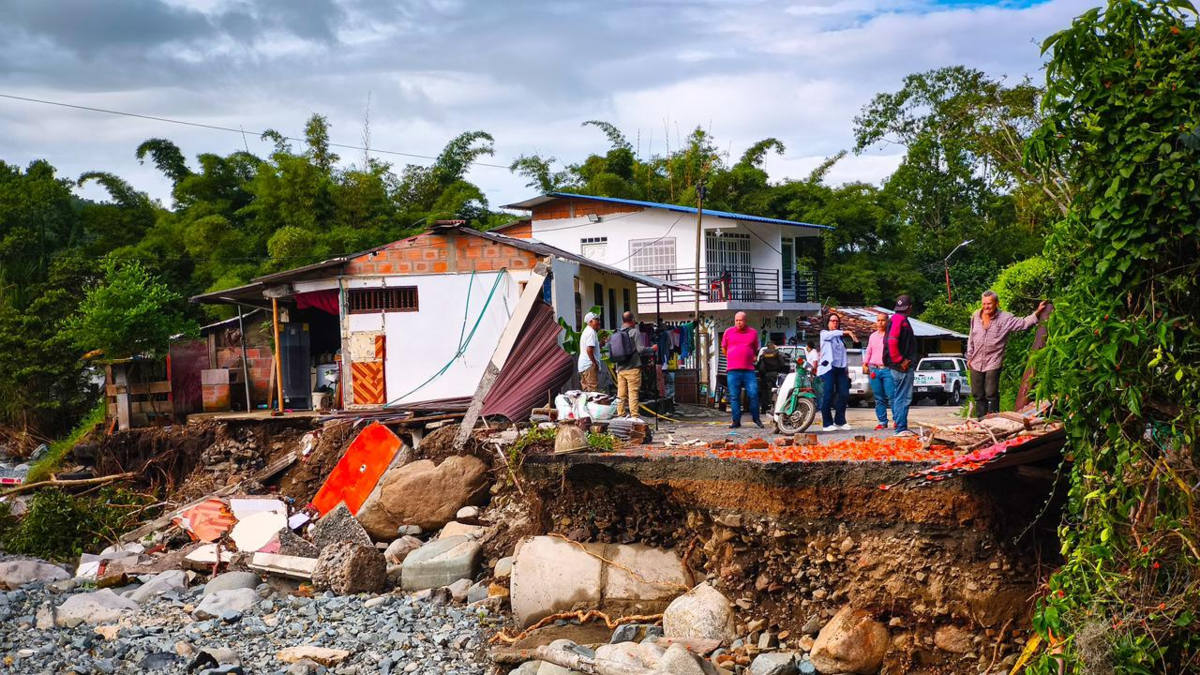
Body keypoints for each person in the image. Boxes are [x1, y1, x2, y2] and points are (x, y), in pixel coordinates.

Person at [966, 291, 1047, 418]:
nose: (986, 306)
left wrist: (1037, 312)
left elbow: (1023, 323)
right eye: (984, 304)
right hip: (976, 360)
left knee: (991, 392)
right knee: (977, 393)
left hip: (993, 360)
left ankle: (993, 419)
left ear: (997, 303)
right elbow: (971, 337)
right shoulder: (976, 315)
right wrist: (969, 357)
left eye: (989, 304)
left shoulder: (1005, 318)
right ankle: (981, 420)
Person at [721, 311, 763, 429]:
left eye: (741, 320)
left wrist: (749, 356)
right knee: (734, 396)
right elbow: (724, 348)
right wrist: (731, 357)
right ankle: (736, 420)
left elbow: (755, 349)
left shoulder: (753, 332)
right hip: (733, 370)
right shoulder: (728, 332)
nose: (738, 322)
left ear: (745, 321)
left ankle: (756, 418)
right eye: (737, 320)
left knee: (753, 394)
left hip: (748, 370)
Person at [817, 313, 859, 431]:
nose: (835, 323)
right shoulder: (824, 334)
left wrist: (846, 369)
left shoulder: (840, 339)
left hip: (840, 368)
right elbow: (831, 334)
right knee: (827, 394)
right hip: (828, 368)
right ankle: (827, 423)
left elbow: (843, 355)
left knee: (844, 393)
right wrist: (847, 332)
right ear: (828, 323)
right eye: (832, 321)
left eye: (837, 321)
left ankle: (840, 420)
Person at [885, 295, 919, 436]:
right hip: (901, 367)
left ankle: (900, 426)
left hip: (896, 365)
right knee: (903, 396)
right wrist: (900, 360)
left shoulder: (895, 318)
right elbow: (892, 341)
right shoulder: (899, 320)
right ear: (910, 307)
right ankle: (900, 428)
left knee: (899, 395)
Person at [614, 311, 657, 417]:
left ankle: (620, 414)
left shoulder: (616, 332)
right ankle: (634, 415)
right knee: (633, 392)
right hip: (632, 367)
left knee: (621, 393)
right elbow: (640, 350)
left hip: (620, 368)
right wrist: (652, 349)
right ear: (632, 320)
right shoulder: (635, 332)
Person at [862, 313, 893, 431]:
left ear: (887, 321)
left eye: (882, 320)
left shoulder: (891, 336)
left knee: (892, 395)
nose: (880, 322)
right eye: (878, 320)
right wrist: (865, 363)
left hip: (888, 369)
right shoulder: (873, 336)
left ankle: (897, 420)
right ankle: (882, 421)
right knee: (879, 397)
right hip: (874, 369)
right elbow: (869, 351)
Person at [755, 341, 788, 414]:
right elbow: (782, 364)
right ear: (773, 345)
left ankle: (764, 408)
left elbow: (760, 366)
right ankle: (774, 406)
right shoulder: (777, 353)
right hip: (775, 374)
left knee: (765, 391)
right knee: (775, 390)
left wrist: (762, 375)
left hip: (765, 375)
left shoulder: (763, 354)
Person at [578, 312, 601, 392]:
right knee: (593, 391)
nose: (599, 322)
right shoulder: (591, 332)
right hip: (589, 365)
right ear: (590, 321)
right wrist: (594, 363)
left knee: (586, 392)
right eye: (596, 320)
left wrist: (600, 344)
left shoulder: (586, 331)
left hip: (583, 366)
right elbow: (589, 349)